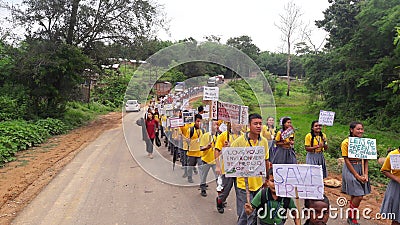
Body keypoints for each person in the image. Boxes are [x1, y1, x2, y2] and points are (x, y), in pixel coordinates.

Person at [232, 113, 269, 225]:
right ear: (249, 125)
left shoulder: (264, 142)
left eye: (260, 124)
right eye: (255, 124)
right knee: (250, 213)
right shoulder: (238, 142)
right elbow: (231, 160)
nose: (258, 126)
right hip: (244, 184)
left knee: (247, 212)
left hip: (258, 183)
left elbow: (266, 160)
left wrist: (267, 179)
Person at [341, 121, 370, 225]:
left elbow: (366, 159)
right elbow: (346, 160)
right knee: (359, 195)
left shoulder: (364, 143)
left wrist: (365, 174)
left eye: (362, 129)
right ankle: (352, 217)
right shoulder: (346, 142)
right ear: (351, 130)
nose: (360, 131)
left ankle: (351, 216)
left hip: (360, 167)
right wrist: (357, 176)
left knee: (355, 195)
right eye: (358, 129)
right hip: (350, 169)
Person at [214, 121, 243, 214]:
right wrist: (218, 166)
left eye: (240, 123)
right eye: (237, 123)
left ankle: (241, 215)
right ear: (231, 124)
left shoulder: (244, 136)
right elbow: (217, 150)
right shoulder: (223, 135)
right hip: (227, 169)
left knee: (240, 193)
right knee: (225, 190)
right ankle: (220, 201)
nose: (239, 125)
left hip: (240, 169)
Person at [199, 120, 220, 197]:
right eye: (215, 125)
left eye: (218, 125)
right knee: (203, 176)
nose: (217, 126)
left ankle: (220, 196)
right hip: (206, 160)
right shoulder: (205, 136)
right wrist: (206, 147)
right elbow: (201, 148)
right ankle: (203, 189)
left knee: (219, 179)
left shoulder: (220, 136)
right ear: (211, 126)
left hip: (216, 161)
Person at [380, 147, 400, 225]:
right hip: (397, 187)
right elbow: (384, 170)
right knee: (397, 216)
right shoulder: (393, 155)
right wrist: (396, 178)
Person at [185, 114, 205, 183]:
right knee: (190, 166)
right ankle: (189, 177)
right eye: (197, 121)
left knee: (202, 168)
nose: (199, 123)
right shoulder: (190, 130)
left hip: (200, 153)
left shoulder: (203, 130)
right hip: (191, 153)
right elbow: (187, 140)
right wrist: (188, 140)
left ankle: (203, 182)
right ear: (194, 121)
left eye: (200, 121)